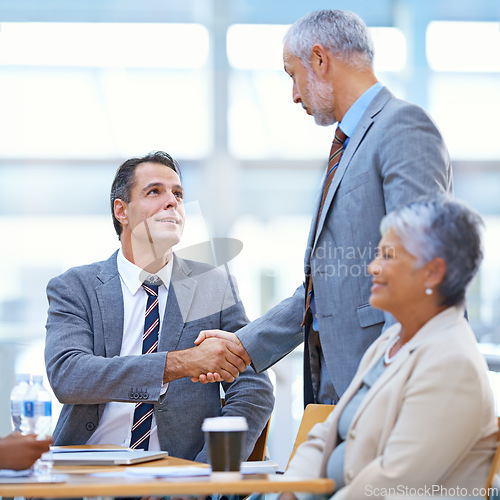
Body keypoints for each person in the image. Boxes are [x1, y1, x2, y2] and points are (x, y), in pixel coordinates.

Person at [195, 9, 453, 406]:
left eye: (292, 74)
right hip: (341, 386)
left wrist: (393, 384)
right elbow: (325, 287)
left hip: (386, 388)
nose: (294, 94)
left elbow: (417, 266)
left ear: (319, 59)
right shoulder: (348, 146)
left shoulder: (402, 127)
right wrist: (245, 344)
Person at [44, 151, 274, 462]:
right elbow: (69, 376)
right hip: (85, 474)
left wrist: (206, 473)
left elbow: (252, 386)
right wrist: (181, 363)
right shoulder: (76, 287)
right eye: (155, 191)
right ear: (121, 211)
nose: (172, 202)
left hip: (179, 477)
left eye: (178, 194)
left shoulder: (208, 284)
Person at [283, 195, 496, 498]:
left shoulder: (452, 363)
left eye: (388, 255)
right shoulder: (390, 341)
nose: (372, 267)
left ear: (433, 272)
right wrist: (289, 493)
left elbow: (389, 484)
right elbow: (324, 437)